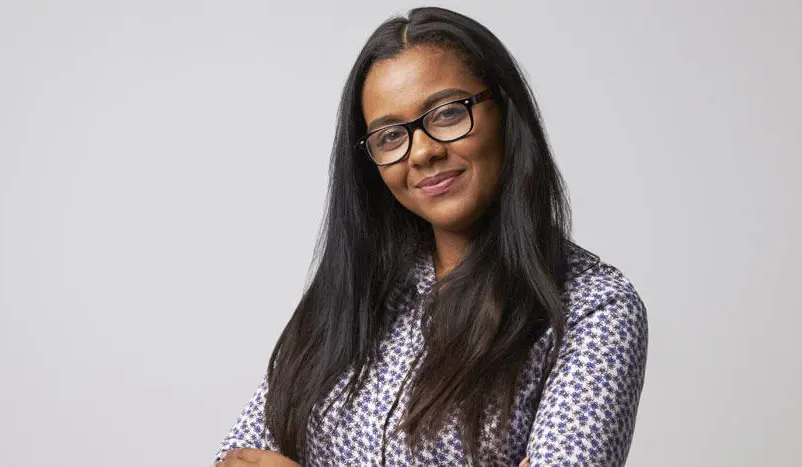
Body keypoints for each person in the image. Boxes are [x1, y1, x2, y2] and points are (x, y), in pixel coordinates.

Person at [213, 6, 648, 467]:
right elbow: (239, 459)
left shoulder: (592, 309)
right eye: (389, 136)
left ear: (502, 109)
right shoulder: (352, 293)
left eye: (445, 113)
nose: (421, 152)